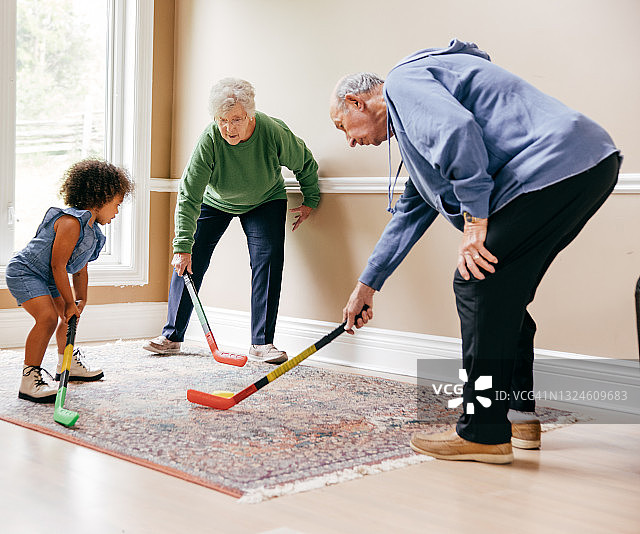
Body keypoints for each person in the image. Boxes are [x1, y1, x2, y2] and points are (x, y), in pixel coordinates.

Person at [330, 40, 620, 463]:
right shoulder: (415, 138)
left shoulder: (403, 82)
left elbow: (456, 131)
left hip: (555, 166)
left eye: (344, 127)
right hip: (588, 162)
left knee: (475, 282)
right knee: (504, 293)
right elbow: (409, 215)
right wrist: (366, 287)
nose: (350, 142)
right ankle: (518, 414)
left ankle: (483, 433)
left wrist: (475, 221)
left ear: (357, 101)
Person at [143, 78, 320, 363]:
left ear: (250, 114)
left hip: (265, 199)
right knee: (188, 259)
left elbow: (304, 161)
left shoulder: (272, 131)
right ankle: (172, 336)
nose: (228, 128)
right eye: (222, 120)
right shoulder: (211, 138)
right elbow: (189, 194)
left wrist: (311, 198)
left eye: (236, 119)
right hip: (215, 201)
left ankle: (262, 343)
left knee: (268, 261)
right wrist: (181, 245)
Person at [6, 159, 133, 403]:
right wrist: (67, 300)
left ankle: (67, 364)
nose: (117, 212)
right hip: (26, 271)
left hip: (50, 277)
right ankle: (29, 379)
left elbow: (79, 269)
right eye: (116, 205)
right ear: (101, 197)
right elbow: (58, 265)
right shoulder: (70, 223)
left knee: (68, 316)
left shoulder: (92, 232)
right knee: (48, 318)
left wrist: (79, 300)